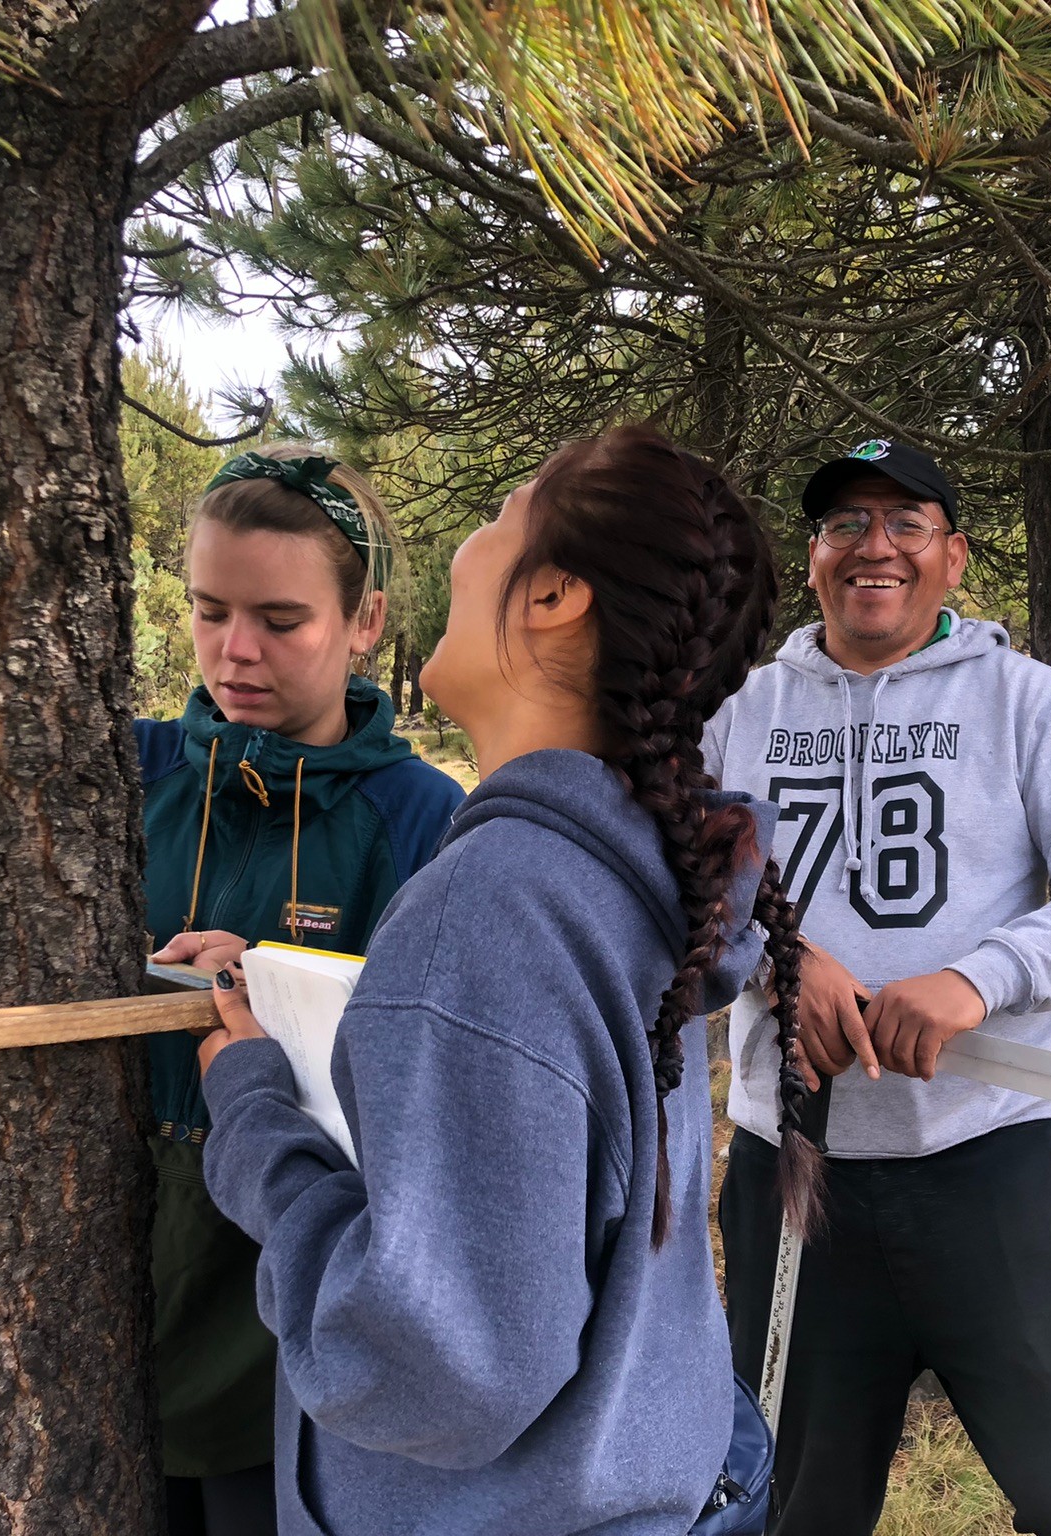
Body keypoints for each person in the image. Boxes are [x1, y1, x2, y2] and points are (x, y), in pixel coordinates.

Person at [193, 425, 816, 1536]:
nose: (464, 549)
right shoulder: (618, 873)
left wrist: (252, 1121)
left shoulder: (493, 906)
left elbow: (438, 1368)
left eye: (499, 518)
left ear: (554, 597)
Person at [0, 446, 463, 1536]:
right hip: (96, 1271)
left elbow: (443, 1074)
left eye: (282, 619)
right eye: (209, 609)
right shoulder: (118, 770)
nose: (236, 651)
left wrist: (276, 986)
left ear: (365, 622)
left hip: (286, 1284)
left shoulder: (420, 819)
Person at [703, 438, 1051, 1536]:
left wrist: (978, 978)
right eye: (843, 526)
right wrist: (783, 958)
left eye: (903, 524)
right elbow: (676, 883)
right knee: (783, 1505)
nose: (873, 549)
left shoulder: (1028, 703)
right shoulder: (737, 712)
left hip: (987, 1160)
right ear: (812, 556)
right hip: (793, 1168)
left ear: (951, 557)